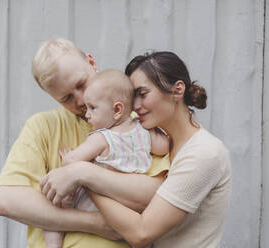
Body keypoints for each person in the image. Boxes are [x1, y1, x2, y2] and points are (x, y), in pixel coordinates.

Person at [40, 51, 232, 247]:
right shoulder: (156, 144)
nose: (135, 105)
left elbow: (141, 233)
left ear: (177, 90)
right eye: (133, 96)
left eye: (142, 94)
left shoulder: (204, 154)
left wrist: (83, 174)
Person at [0, 39, 170, 248]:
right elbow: (6, 200)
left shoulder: (134, 121)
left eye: (81, 84)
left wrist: (83, 173)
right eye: (66, 97)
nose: (80, 100)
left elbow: (158, 195)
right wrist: (94, 223)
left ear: (91, 62)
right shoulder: (42, 127)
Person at [42, 69, 170, 248]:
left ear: (117, 109)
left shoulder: (101, 137)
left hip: (92, 204)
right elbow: (166, 146)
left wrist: (67, 157)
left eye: (92, 108)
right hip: (127, 209)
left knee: (54, 204)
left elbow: (73, 163)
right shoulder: (145, 133)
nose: (87, 115)